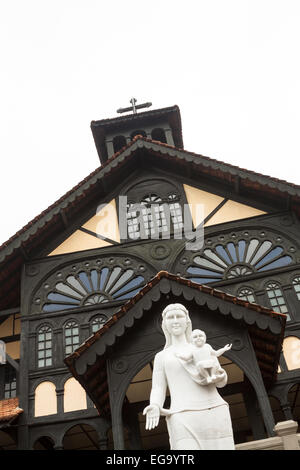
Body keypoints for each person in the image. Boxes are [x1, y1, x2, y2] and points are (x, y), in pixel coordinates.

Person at [143, 303, 235, 450]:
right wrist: (155, 405)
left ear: (187, 322)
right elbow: (158, 387)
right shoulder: (162, 356)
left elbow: (220, 382)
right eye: (170, 317)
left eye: (179, 316)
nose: (175, 320)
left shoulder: (202, 347)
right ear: (164, 324)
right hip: (182, 414)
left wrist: (220, 375)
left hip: (214, 409)